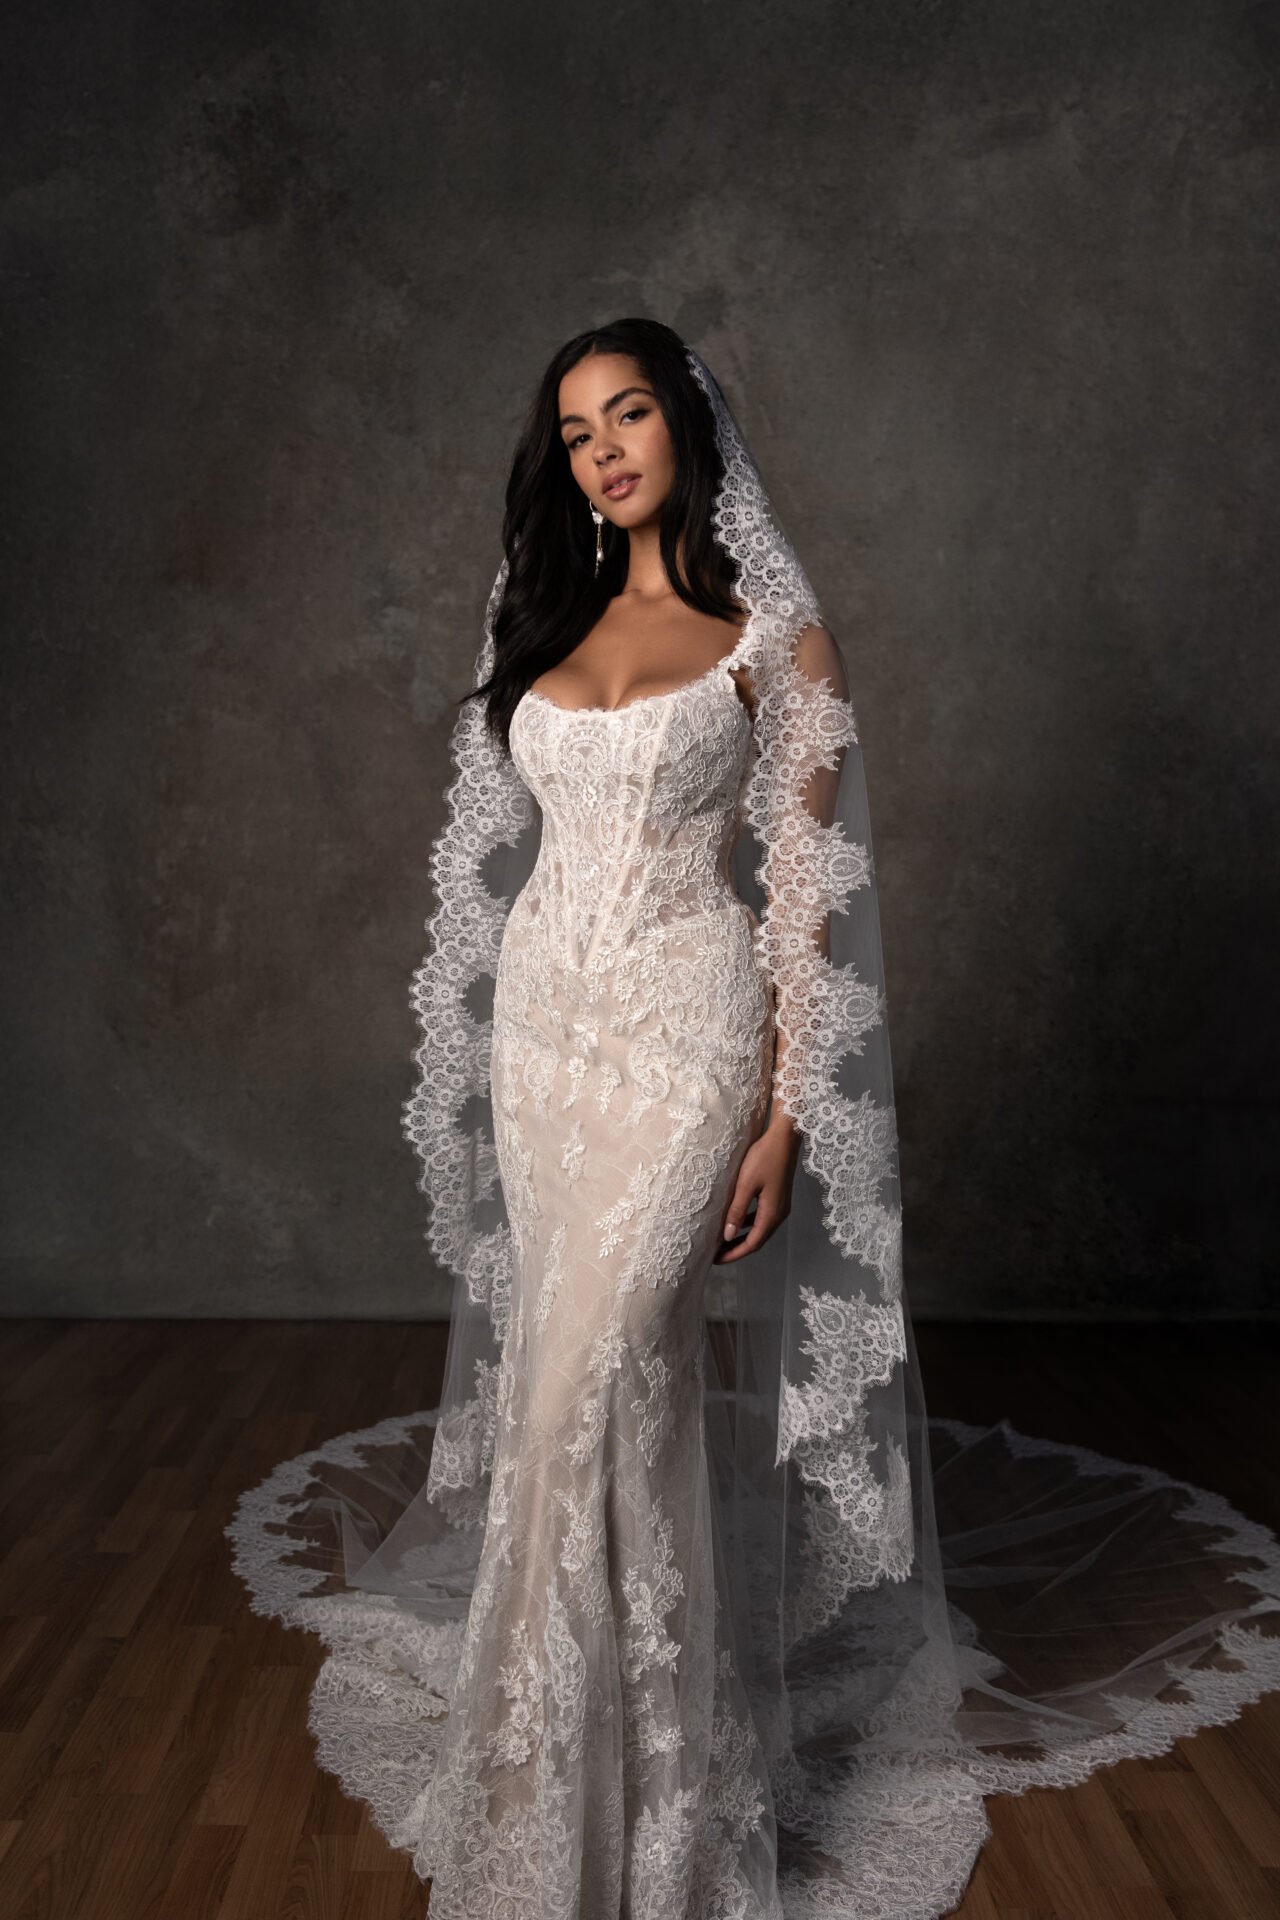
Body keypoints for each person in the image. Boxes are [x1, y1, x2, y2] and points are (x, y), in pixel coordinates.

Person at [227, 319, 1280, 1920]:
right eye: (578, 431)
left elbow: (804, 907)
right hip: (549, 1048)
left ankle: (602, 1825)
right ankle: (598, 1785)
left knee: (584, 1382)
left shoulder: (772, 643)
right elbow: (521, 851)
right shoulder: (541, 609)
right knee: (594, 1398)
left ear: (684, 425)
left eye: (629, 412)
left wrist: (785, 1117)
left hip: (686, 1038)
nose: (604, 449)